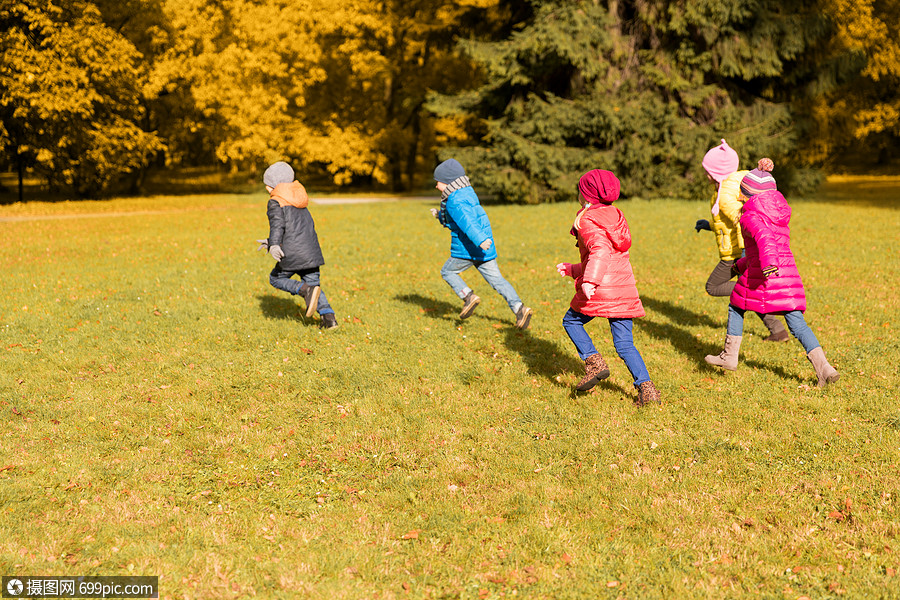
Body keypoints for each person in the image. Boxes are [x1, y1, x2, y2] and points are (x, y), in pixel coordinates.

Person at [705, 159, 839, 387]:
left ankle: (729, 356)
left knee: (736, 305)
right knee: (797, 324)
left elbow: (765, 242)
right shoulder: (775, 214)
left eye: (742, 193)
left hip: (769, 274)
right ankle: (825, 368)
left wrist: (768, 263)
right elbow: (763, 248)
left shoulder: (751, 216)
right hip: (787, 277)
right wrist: (741, 265)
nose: (739, 197)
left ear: (749, 195)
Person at [556, 169, 661, 406]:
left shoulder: (586, 218)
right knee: (625, 344)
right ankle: (648, 390)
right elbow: (608, 254)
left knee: (571, 321)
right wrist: (574, 269)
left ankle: (594, 363)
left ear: (586, 195)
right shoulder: (615, 214)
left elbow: (600, 251)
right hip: (623, 288)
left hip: (600, 286)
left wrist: (590, 281)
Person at [696, 139, 789, 342]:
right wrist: (709, 225)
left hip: (736, 252)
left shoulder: (727, 195)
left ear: (718, 172)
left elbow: (743, 220)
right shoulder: (730, 185)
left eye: (708, 171)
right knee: (748, 291)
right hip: (739, 249)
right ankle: (778, 331)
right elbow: (727, 223)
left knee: (714, 286)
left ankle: (754, 292)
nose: (706, 175)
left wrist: (748, 251)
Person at [431, 158, 532, 329]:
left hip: (469, 248)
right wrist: (439, 216)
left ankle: (468, 296)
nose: (436, 186)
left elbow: (467, 221)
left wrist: (479, 240)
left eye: (438, 182)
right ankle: (520, 309)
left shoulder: (454, 200)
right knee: (498, 281)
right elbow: (458, 218)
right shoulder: (465, 192)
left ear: (448, 182)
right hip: (483, 248)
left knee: (447, 272)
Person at [256, 161, 338, 329]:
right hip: (311, 252)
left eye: (269, 186)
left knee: (276, 278)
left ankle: (303, 290)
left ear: (275, 186)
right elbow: (296, 228)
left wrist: (275, 245)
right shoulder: (300, 199)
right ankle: (329, 319)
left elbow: (278, 225)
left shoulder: (275, 202)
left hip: (292, 253)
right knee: (314, 286)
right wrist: (271, 241)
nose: (267, 189)